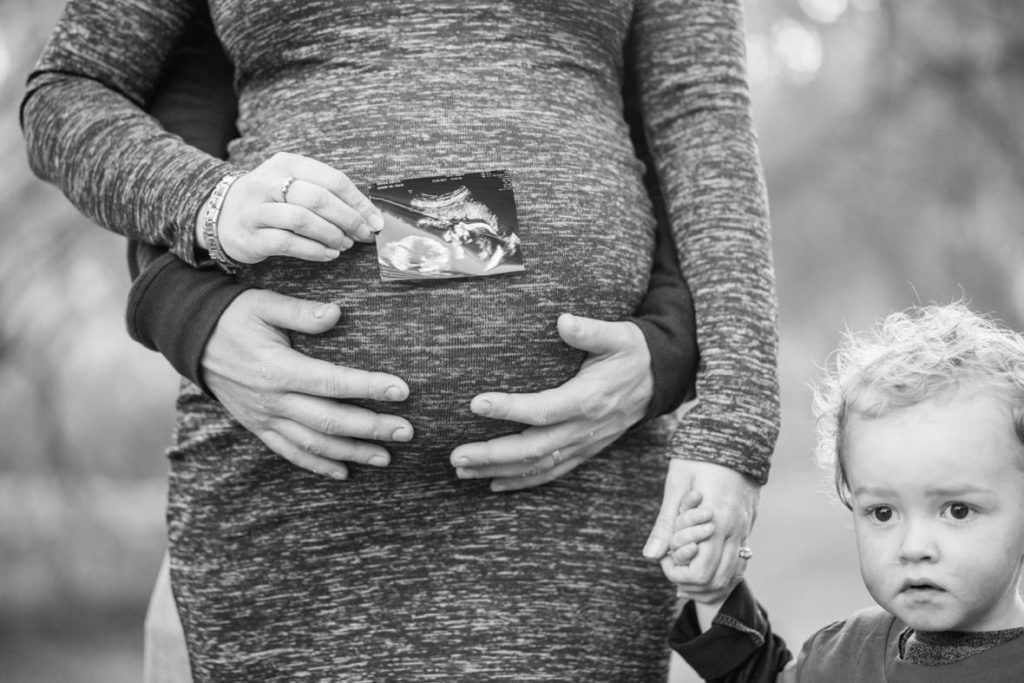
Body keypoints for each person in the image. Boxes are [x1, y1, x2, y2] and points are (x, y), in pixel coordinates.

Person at [21, 0, 779, 679]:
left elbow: (699, 114)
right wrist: (205, 207)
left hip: (575, 496)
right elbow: (70, 93)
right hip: (291, 492)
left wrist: (733, 428)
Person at [666, 303, 1024, 682]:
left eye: (957, 510)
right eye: (883, 512)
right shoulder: (843, 655)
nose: (914, 547)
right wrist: (713, 594)